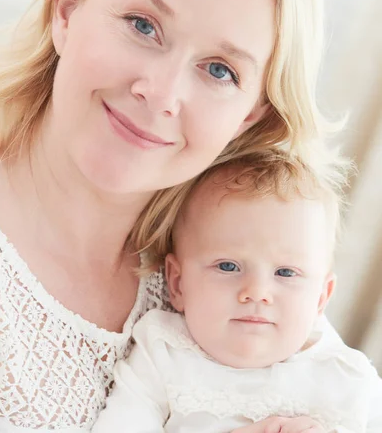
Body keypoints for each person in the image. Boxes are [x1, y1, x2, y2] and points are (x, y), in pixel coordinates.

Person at [0, 0, 346, 433]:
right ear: (67, 13)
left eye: (220, 69)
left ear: (251, 114)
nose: (162, 94)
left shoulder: (234, 273)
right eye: (142, 24)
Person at [92, 153, 382, 433]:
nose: (256, 292)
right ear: (178, 283)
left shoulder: (348, 377)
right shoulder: (164, 351)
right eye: (228, 266)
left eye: (285, 273)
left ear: (321, 297)